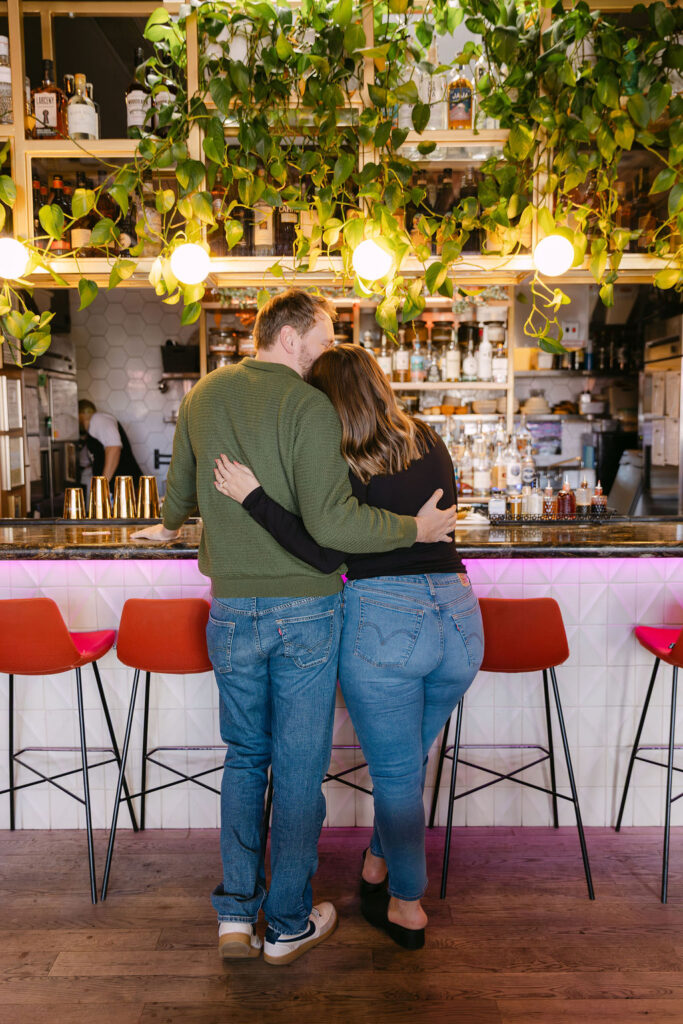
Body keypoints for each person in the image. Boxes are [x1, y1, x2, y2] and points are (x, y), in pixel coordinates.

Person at [131, 290, 456, 965]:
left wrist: (164, 526)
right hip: (306, 609)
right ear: (294, 333)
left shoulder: (202, 397)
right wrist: (413, 528)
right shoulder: (310, 406)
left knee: (245, 758)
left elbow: (181, 497)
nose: (327, 345)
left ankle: (232, 918)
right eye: (325, 331)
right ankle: (284, 924)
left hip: (229, 608)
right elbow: (335, 527)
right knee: (300, 769)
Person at [213, 343, 484, 951]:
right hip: (461, 618)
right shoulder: (427, 436)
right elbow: (446, 512)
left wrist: (254, 497)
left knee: (394, 776)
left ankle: (408, 906)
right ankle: (376, 866)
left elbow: (324, 550)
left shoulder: (339, 455)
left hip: (387, 618)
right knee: (408, 763)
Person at [78, 399, 143, 491]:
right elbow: (87, 460)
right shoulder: (91, 430)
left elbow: (114, 448)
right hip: (118, 489)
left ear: (81, 414)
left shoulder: (98, 419)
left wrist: (102, 486)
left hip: (124, 489)